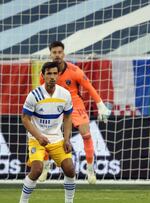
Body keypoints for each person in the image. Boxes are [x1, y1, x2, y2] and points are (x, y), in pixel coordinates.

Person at [38, 41, 111, 184]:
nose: (57, 55)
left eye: (60, 52)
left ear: (63, 54)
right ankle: (45, 167)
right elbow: (41, 91)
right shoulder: (45, 72)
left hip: (74, 103)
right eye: (54, 52)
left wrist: (100, 104)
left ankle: (90, 169)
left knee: (87, 134)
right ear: (50, 54)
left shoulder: (74, 70)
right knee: (46, 136)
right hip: (55, 104)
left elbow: (89, 87)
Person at [20, 62, 75, 203]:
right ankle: (23, 201)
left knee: (70, 169)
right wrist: (39, 136)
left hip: (57, 139)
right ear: (43, 75)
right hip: (36, 137)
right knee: (37, 170)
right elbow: (25, 119)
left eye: (55, 73)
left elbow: (68, 117)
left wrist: (67, 139)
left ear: (59, 75)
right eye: (49, 73)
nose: (52, 77)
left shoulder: (65, 94)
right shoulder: (34, 95)